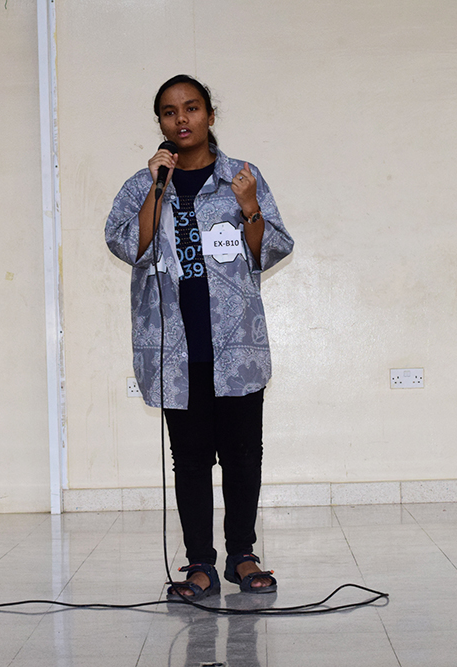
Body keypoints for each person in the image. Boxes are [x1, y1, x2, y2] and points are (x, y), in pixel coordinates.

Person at [105, 74, 294, 600]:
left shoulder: (241, 177)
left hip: (235, 345)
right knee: (189, 460)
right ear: (160, 123)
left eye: (191, 108)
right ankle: (199, 564)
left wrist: (250, 205)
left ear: (210, 115)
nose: (181, 119)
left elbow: (270, 250)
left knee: (242, 455)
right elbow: (129, 246)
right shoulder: (141, 185)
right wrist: (155, 189)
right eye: (169, 112)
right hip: (174, 350)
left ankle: (243, 555)